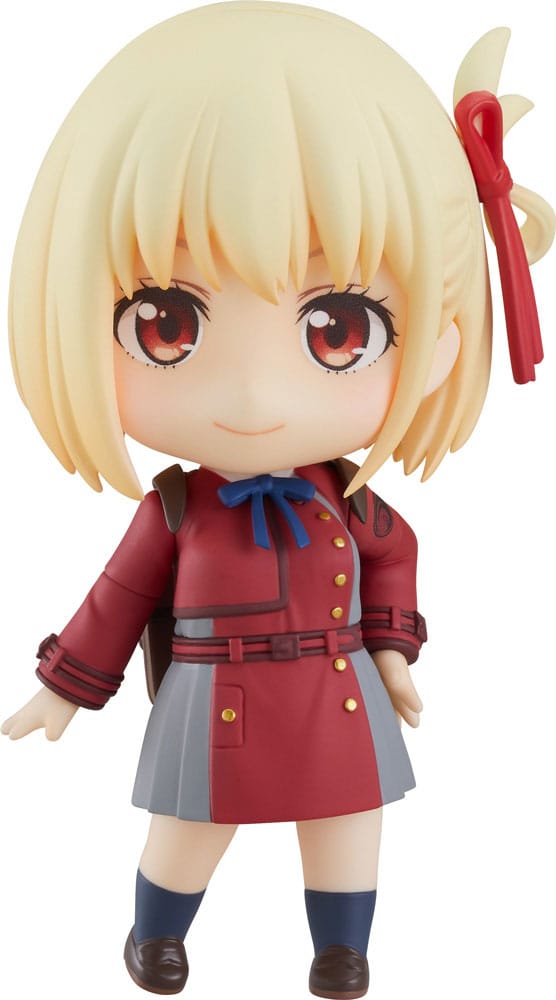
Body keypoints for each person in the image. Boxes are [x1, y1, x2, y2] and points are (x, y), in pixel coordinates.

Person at [2, 4, 553, 997]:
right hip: (214, 692)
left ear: (440, 339)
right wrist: (65, 687)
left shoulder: (348, 501)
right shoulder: (177, 510)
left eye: (337, 327)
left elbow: (393, 555)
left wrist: (391, 650)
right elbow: (117, 598)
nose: (255, 396)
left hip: (333, 683)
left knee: (348, 820)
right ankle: (156, 935)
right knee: (190, 823)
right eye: (166, 322)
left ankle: (342, 949)